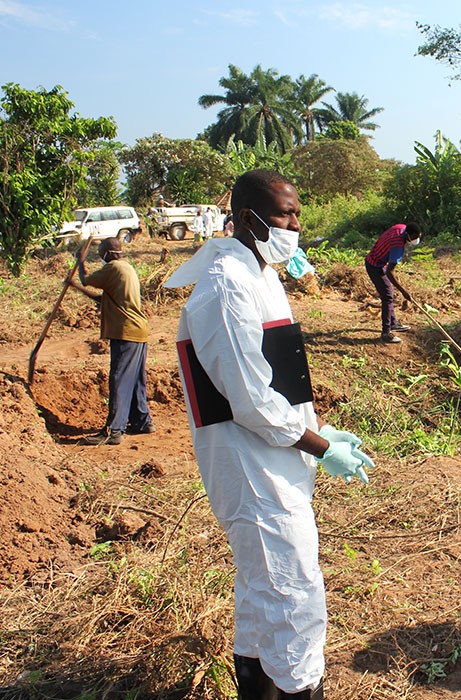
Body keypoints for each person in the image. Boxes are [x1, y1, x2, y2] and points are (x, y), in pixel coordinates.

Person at [164, 169, 373, 699]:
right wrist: (321, 447)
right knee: (294, 598)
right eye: (285, 214)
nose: (295, 224)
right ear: (250, 218)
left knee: (262, 598)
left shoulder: (261, 275)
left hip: (275, 460)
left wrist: (321, 428)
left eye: (297, 213)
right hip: (251, 471)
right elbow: (252, 401)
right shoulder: (225, 289)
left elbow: (278, 380)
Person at [69, 238, 154, 445]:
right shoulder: (126, 269)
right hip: (138, 330)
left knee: (119, 379)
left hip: (126, 331)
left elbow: (87, 278)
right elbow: (103, 299)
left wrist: (80, 262)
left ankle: (114, 431)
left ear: (108, 253)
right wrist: (75, 288)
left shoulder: (113, 268)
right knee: (134, 379)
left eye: (100, 253)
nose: (100, 257)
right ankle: (142, 422)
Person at [364, 223, 421, 344]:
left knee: (388, 292)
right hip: (374, 266)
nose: (416, 239)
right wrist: (404, 291)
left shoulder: (400, 227)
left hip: (377, 260)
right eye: (415, 237)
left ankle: (393, 323)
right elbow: (390, 272)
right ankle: (386, 333)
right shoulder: (397, 247)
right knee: (388, 296)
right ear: (408, 235)